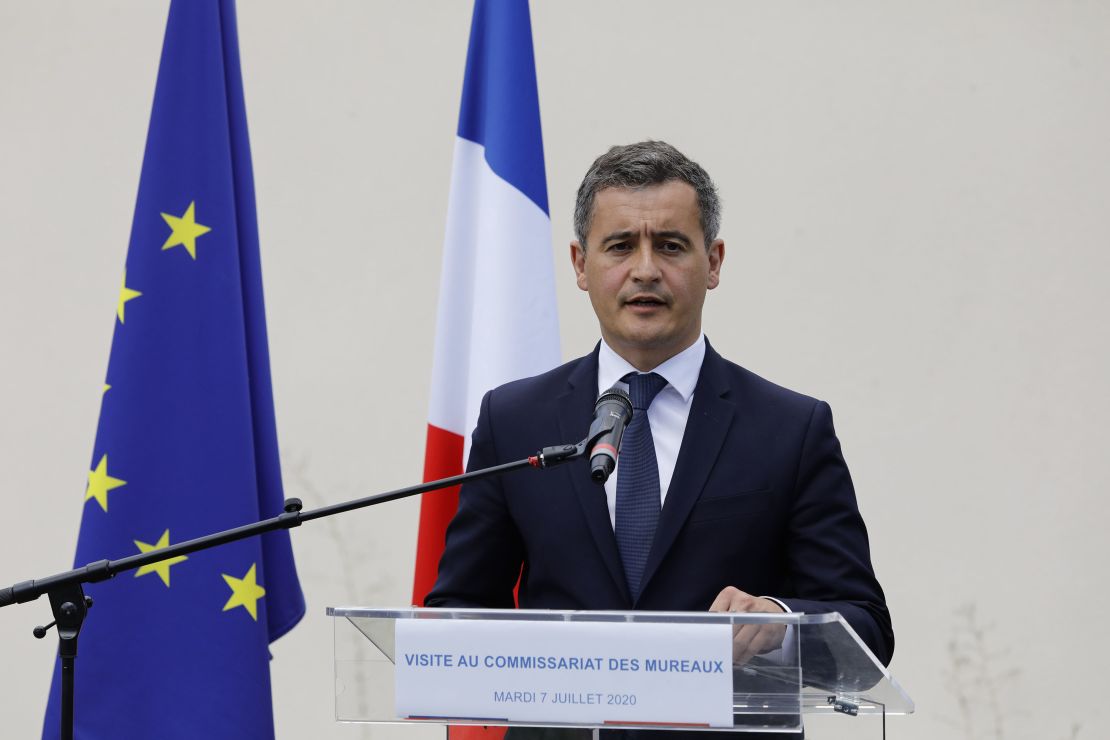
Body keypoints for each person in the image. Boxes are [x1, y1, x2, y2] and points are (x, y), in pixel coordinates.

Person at [425, 141, 893, 736]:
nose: (645, 269)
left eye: (671, 246)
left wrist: (778, 620)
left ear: (714, 261)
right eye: (620, 246)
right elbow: (459, 613)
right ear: (579, 264)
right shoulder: (517, 419)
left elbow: (867, 630)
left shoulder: (789, 429)